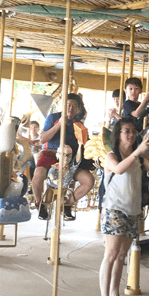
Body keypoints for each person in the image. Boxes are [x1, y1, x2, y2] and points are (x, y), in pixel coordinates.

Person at [98, 118, 149, 296]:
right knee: (111, 254)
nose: (131, 135)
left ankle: (115, 294)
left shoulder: (139, 158)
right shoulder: (111, 156)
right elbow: (118, 169)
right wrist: (139, 151)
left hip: (132, 210)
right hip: (114, 209)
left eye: (133, 131)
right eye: (126, 131)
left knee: (122, 255)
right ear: (118, 135)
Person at [32, 93, 95, 221]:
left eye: (74, 106)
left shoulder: (78, 124)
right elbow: (43, 138)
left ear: (77, 109)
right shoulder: (53, 118)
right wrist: (58, 125)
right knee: (37, 176)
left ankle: (68, 204)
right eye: (68, 105)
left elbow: (83, 143)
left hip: (69, 157)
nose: (70, 108)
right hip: (51, 152)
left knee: (89, 181)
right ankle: (40, 204)